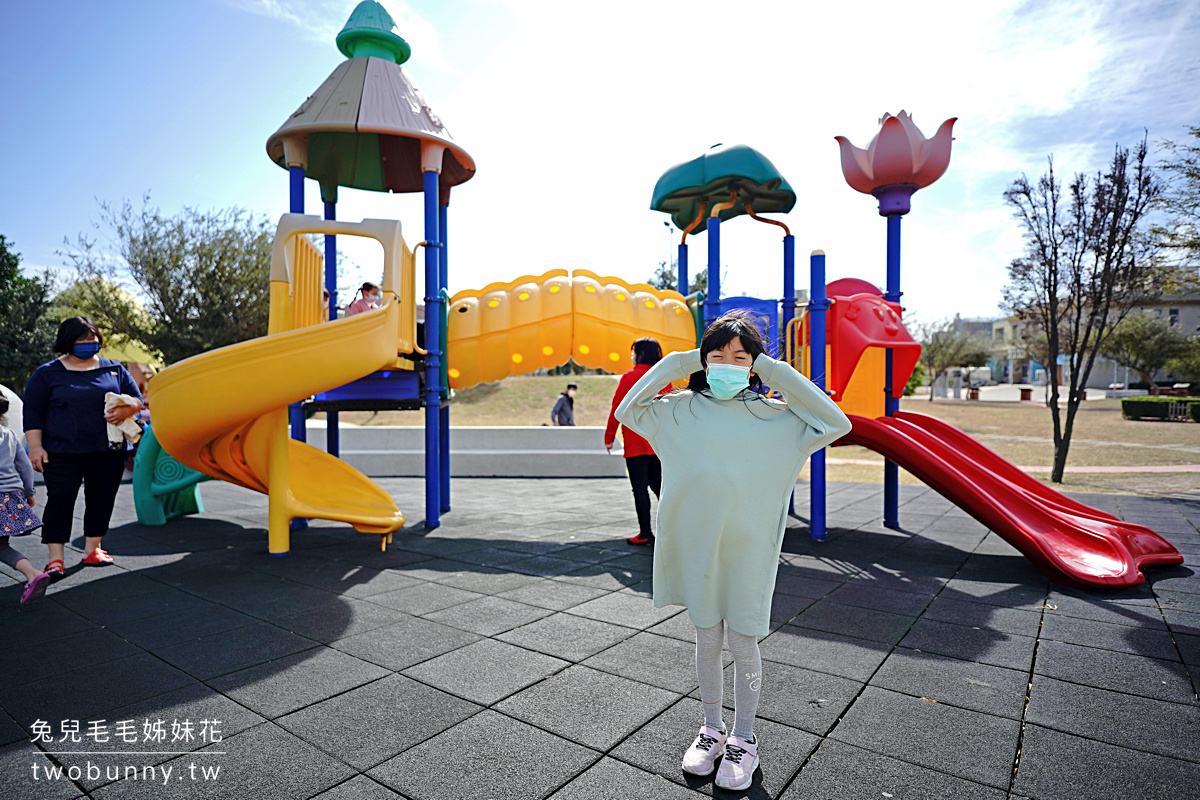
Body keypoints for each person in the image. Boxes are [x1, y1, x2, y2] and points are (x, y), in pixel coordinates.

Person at [615, 310, 851, 791]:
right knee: (706, 637)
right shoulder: (678, 410)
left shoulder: (776, 418)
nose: (727, 363)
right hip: (696, 549)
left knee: (743, 640)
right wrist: (677, 361)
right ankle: (711, 730)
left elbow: (836, 420)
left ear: (755, 363)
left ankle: (744, 739)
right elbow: (626, 411)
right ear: (701, 360)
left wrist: (774, 371)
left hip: (749, 551)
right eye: (716, 355)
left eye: (740, 357)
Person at [23, 317, 144, 579]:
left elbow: (138, 401)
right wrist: (35, 447)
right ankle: (55, 559)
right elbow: (32, 412)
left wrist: (129, 408)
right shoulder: (47, 374)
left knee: (101, 499)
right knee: (59, 502)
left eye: (93, 338)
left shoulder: (115, 370)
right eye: (82, 339)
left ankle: (94, 549)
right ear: (67, 342)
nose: (90, 343)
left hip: (108, 450)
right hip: (62, 451)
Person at [605, 338, 671, 546]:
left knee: (640, 489)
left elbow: (618, 408)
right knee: (661, 488)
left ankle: (645, 533)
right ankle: (675, 529)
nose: (632, 356)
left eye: (634, 352)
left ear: (640, 354)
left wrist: (609, 436)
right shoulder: (662, 377)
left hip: (635, 444)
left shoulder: (629, 377)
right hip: (658, 442)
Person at [0, 396, 50, 605]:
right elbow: (24, 467)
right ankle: (32, 574)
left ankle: (32, 574)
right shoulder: (9, 434)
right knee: (2, 547)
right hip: (9, 496)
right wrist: (29, 492)